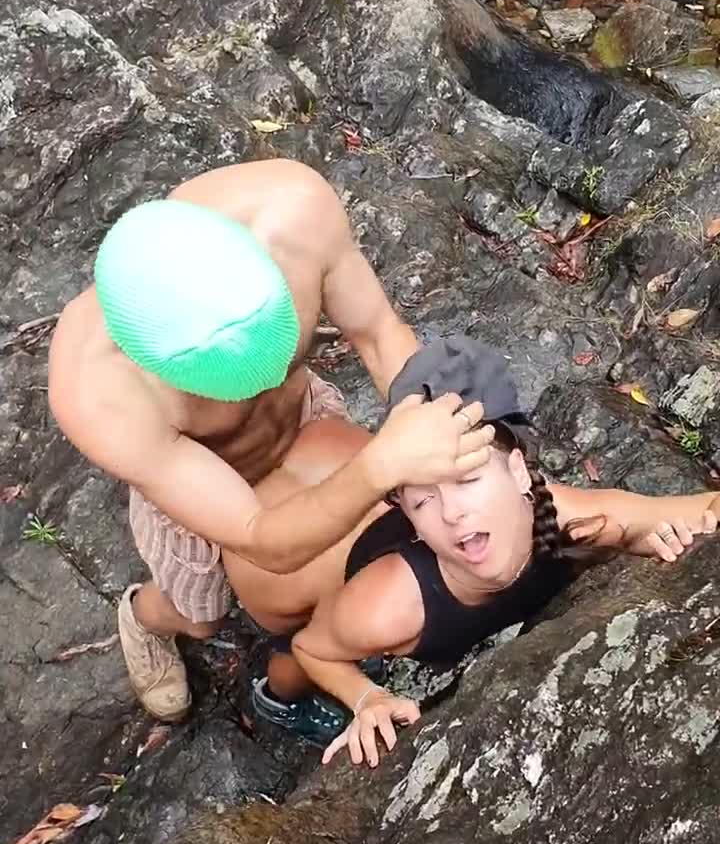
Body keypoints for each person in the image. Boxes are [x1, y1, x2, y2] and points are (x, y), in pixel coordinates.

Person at [48, 160, 494, 722]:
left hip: (304, 418)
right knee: (202, 617)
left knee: (384, 528)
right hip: (201, 489)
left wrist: (450, 435)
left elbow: (380, 335)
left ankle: (331, 625)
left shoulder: (294, 211)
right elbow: (256, 535)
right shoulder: (96, 389)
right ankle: (145, 617)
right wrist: (381, 466)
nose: (260, 386)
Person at [225, 337, 720, 768]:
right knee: (294, 660)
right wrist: (365, 696)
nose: (453, 513)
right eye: (424, 500)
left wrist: (660, 539)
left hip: (328, 456)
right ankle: (276, 702)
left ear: (520, 472)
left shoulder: (575, 517)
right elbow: (313, 648)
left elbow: (699, 511)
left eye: (468, 479)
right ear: (408, 514)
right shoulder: (388, 607)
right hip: (276, 561)